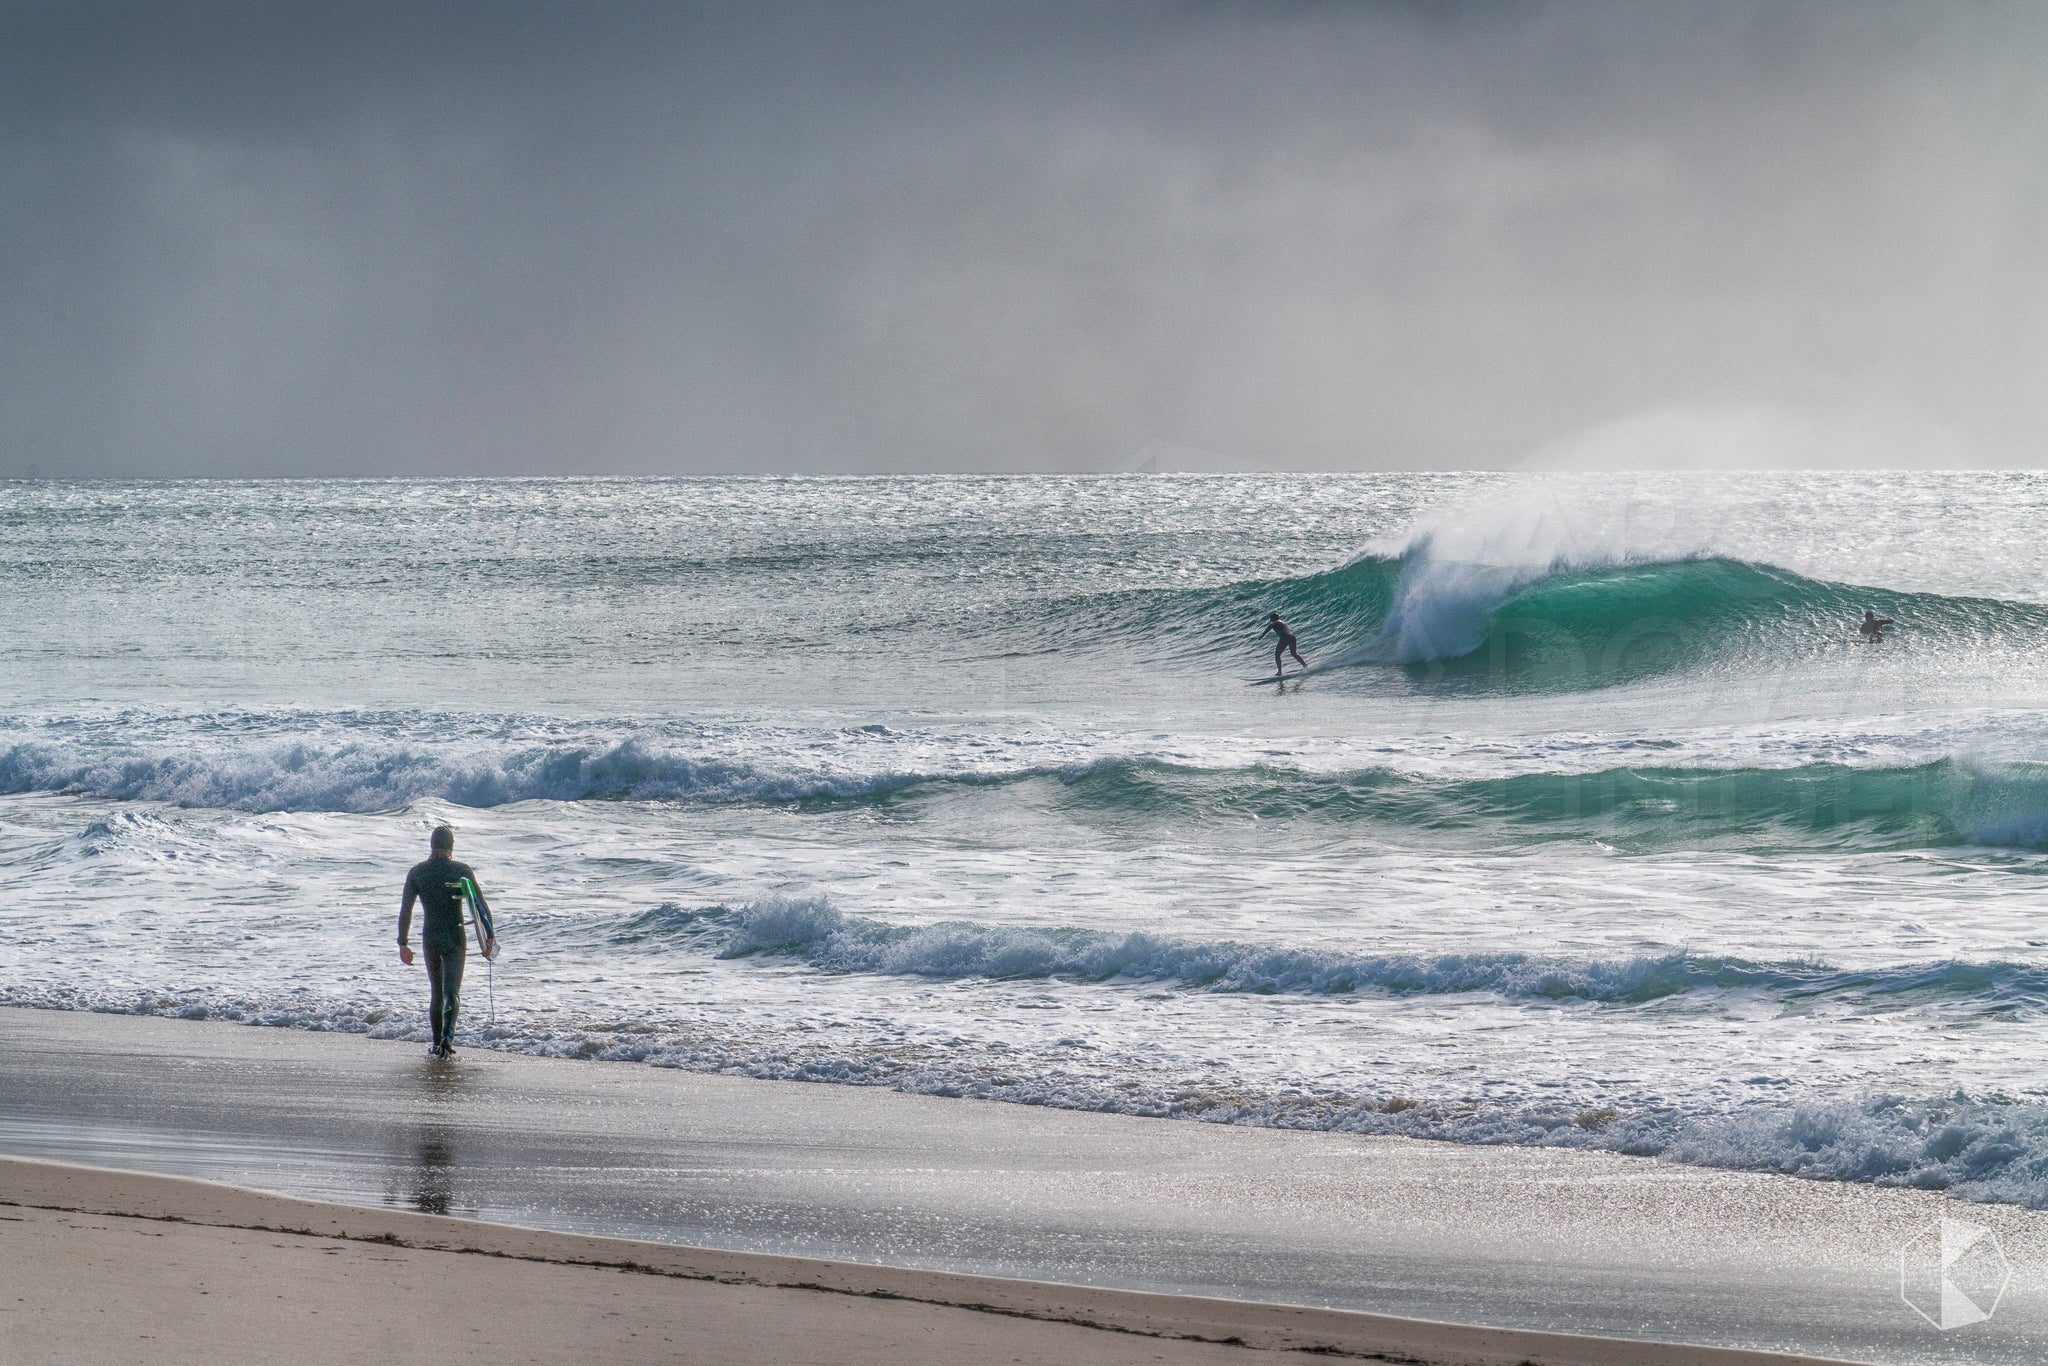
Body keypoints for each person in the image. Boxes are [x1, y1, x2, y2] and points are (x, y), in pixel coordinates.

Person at [398, 825, 494, 1059]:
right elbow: (480, 906)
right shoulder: (461, 870)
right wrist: (489, 937)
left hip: (430, 937)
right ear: (452, 846)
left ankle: (435, 1043)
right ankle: (446, 1041)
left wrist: (403, 943)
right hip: (455, 938)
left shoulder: (417, 872)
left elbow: (406, 910)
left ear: (431, 845)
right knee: (452, 993)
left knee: (436, 993)